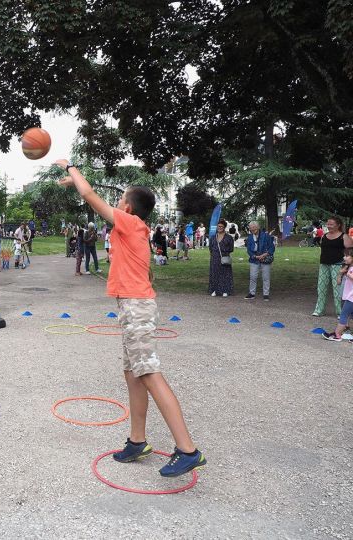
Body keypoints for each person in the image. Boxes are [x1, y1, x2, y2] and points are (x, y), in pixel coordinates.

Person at [55, 159, 205, 477]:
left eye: (121, 198)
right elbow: (92, 196)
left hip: (137, 308)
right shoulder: (131, 227)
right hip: (131, 307)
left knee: (148, 373)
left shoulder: (130, 223)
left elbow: (92, 196)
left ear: (127, 207)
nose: (116, 203)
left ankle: (187, 449)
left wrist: (71, 168)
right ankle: (138, 441)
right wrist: (78, 185)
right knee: (133, 373)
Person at [312, 216, 353, 316]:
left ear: (338, 225)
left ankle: (340, 312)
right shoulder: (324, 236)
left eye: (331, 224)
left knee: (337, 289)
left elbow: (350, 252)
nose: (329, 226)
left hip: (338, 265)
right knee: (321, 288)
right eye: (328, 224)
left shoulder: (344, 236)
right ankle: (319, 310)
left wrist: (347, 265)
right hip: (324, 264)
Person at [322, 249, 353, 341]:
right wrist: (341, 273)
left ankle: (337, 335)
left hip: (351, 297)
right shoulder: (348, 268)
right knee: (349, 315)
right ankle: (339, 332)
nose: (344, 258)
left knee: (343, 315)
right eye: (344, 255)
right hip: (347, 296)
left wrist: (348, 274)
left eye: (347, 256)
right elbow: (339, 282)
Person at [244, 221, 275, 301]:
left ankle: (266, 294)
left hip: (265, 258)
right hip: (254, 259)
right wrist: (254, 256)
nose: (252, 230)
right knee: (253, 277)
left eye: (254, 228)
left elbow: (272, 247)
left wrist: (264, 255)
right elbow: (248, 250)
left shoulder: (266, 236)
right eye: (251, 228)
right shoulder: (250, 237)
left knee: (266, 277)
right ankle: (252, 293)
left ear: (258, 227)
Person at [208, 220, 234, 297]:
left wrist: (224, 251)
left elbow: (231, 248)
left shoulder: (229, 237)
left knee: (225, 274)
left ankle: (225, 290)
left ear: (224, 227)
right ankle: (215, 290)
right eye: (218, 226)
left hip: (224, 258)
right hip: (215, 258)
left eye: (221, 226)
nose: (219, 228)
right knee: (214, 274)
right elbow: (210, 248)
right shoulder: (213, 237)